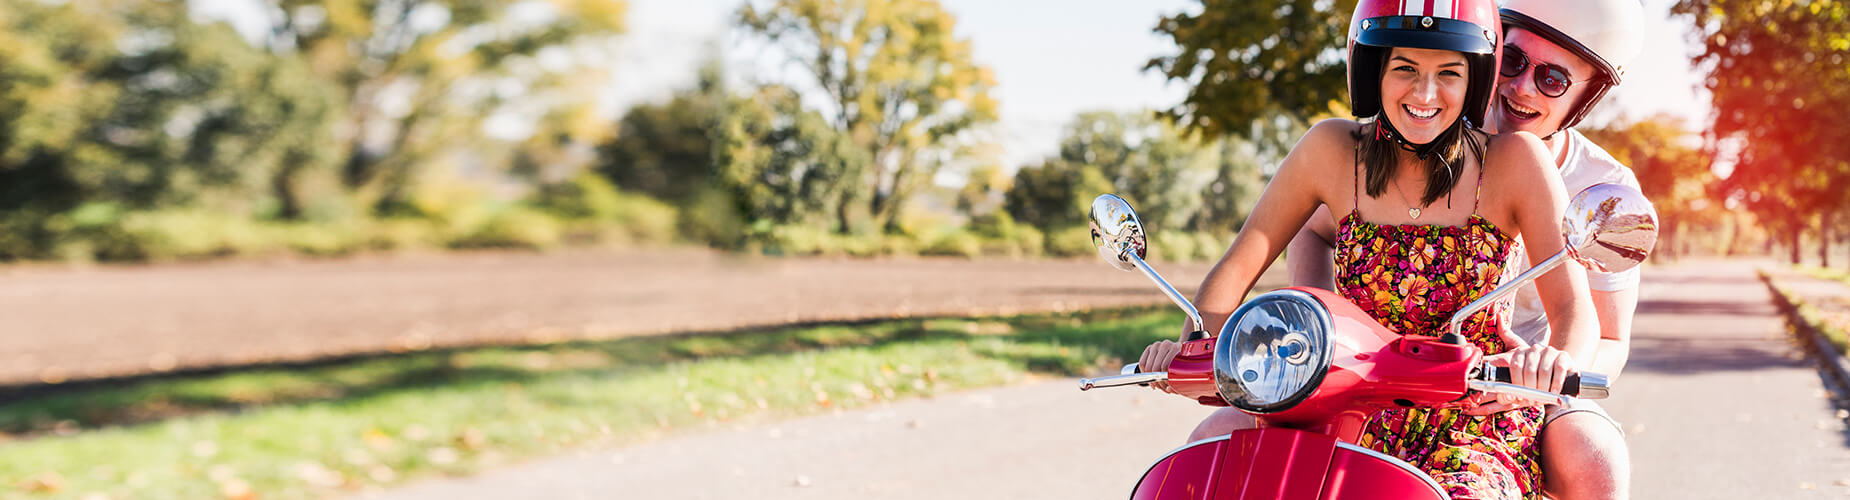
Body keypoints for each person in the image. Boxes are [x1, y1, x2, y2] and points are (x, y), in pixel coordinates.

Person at [1137, 0, 1601, 498]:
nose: (1425, 93)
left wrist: (1549, 365)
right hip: (1339, 410)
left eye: (1449, 71)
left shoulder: (1516, 161)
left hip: (1471, 422)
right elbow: (1237, 268)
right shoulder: (1330, 150)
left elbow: (1576, 310)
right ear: (1372, 70)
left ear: (1475, 81)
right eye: (1404, 68)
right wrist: (1193, 346)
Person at [1271, 1, 1648, 499]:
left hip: (1525, 380)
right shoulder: (1422, 131)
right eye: (1513, 62)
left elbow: (1609, 338)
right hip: (1380, 369)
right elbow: (1314, 223)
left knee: (1592, 453)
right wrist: (1320, 332)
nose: (1521, 88)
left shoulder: (1604, 187)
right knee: (1223, 441)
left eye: (1552, 80)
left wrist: (1549, 369)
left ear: (1586, 97)